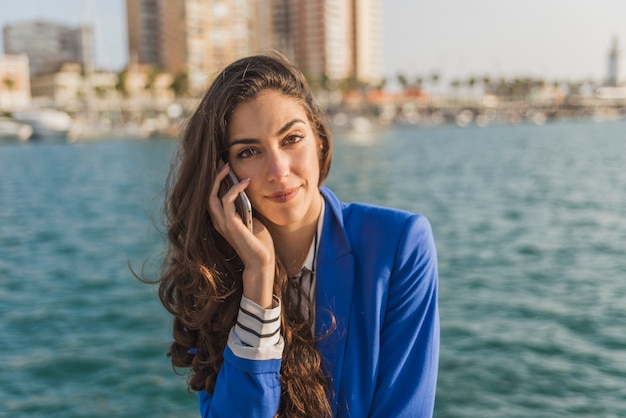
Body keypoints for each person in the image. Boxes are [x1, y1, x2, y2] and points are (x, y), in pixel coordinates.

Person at [154, 51, 439, 417]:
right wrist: (258, 281)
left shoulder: (398, 244)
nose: (278, 170)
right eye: (249, 151)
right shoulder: (214, 275)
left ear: (319, 139)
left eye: (291, 139)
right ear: (221, 175)